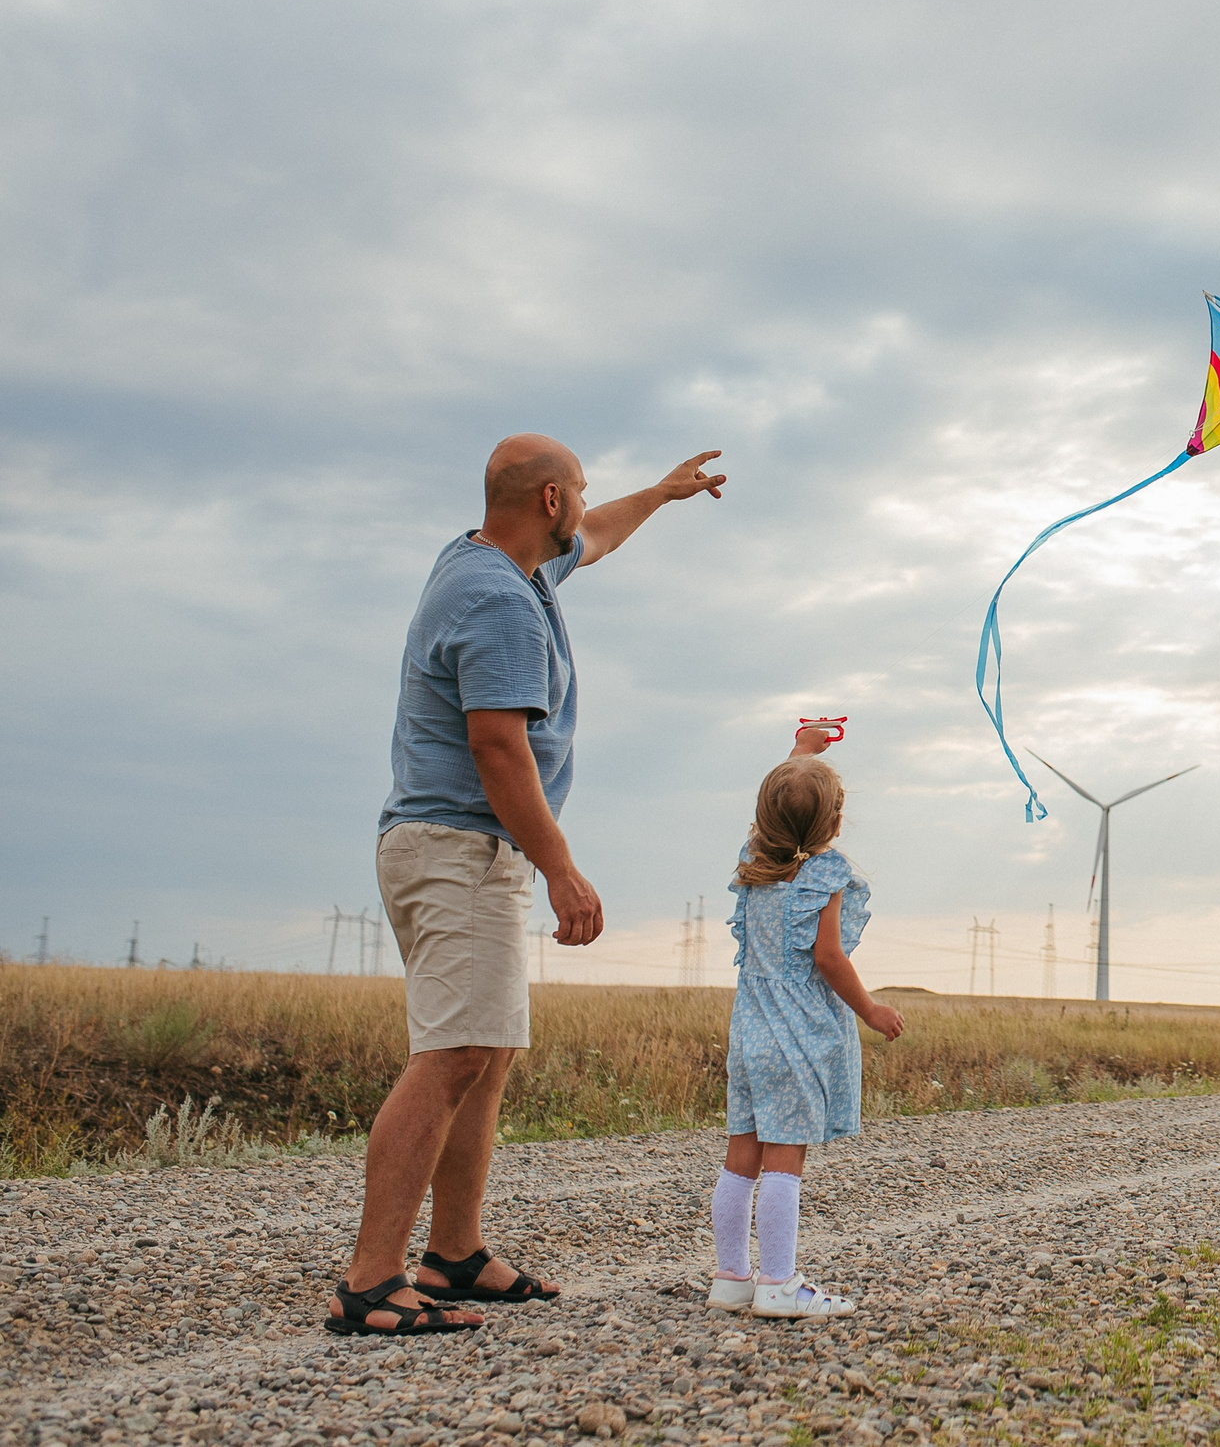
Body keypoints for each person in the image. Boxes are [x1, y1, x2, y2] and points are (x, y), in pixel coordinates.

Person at [329, 434, 727, 1337]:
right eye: (579, 492)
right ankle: (370, 1277)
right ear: (551, 499)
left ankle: (455, 1252)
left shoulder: (500, 563)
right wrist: (563, 870)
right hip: (459, 847)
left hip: (464, 847)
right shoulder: (499, 600)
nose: (587, 506)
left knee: (486, 1049)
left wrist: (660, 495)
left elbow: (604, 536)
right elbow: (497, 745)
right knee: (454, 1052)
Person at [708, 720, 905, 1319]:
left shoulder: (755, 862)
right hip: (797, 1040)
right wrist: (870, 1009)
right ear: (835, 822)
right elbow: (828, 957)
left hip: (750, 1036)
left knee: (740, 1157)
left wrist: (798, 755)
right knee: (785, 1163)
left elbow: (774, 814)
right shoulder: (823, 873)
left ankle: (731, 1278)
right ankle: (779, 1283)